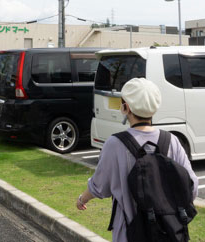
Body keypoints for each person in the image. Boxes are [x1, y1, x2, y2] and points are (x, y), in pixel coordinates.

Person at [76, 77, 198, 242]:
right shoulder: (171, 141)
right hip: (169, 232)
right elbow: (192, 186)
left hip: (129, 233)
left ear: (126, 107)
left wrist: (82, 199)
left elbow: (99, 186)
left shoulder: (115, 144)